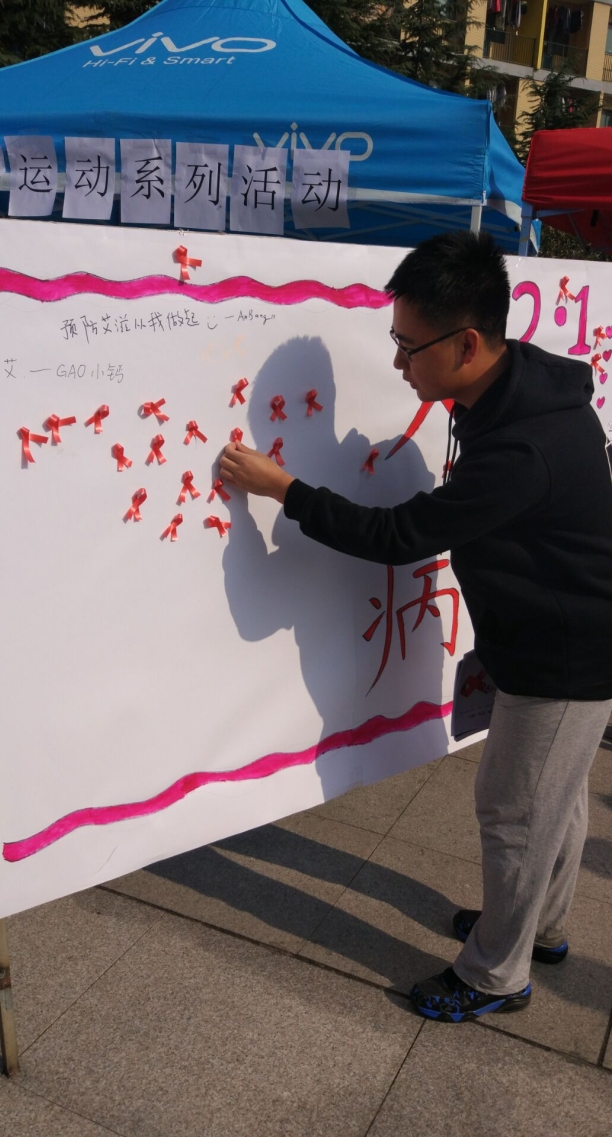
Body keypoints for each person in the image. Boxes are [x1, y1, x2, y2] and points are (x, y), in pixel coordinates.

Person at [220, 231, 612, 1023]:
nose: (398, 363)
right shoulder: (518, 387)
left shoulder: (523, 444)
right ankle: (536, 927)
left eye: (409, 346)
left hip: (565, 657)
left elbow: (399, 536)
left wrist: (284, 487)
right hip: (551, 634)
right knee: (555, 800)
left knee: (514, 809)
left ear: (467, 344)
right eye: (394, 341)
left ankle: (496, 974)